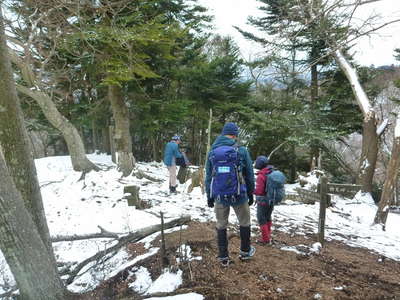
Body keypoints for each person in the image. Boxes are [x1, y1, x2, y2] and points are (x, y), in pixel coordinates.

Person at [205, 122, 255, 266]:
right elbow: (249, 175)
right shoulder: (242, 151)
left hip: (220, 195)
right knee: (244, 222)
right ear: (234, 135)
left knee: (221, 224)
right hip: (240, 194)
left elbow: (209, 176)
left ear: (223, 134)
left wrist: (209, 196)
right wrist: (250, 193)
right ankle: (245, 252)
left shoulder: (212, 152)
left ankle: (223, 257)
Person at [253, 155, 275, 244]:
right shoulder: (272, 172)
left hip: (263, 200)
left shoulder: (261, 175)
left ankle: (265, 239)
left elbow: (259, 191)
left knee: (261, 218)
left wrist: (252, 191)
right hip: (272, 199)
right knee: (268, 217)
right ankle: (268, 236)